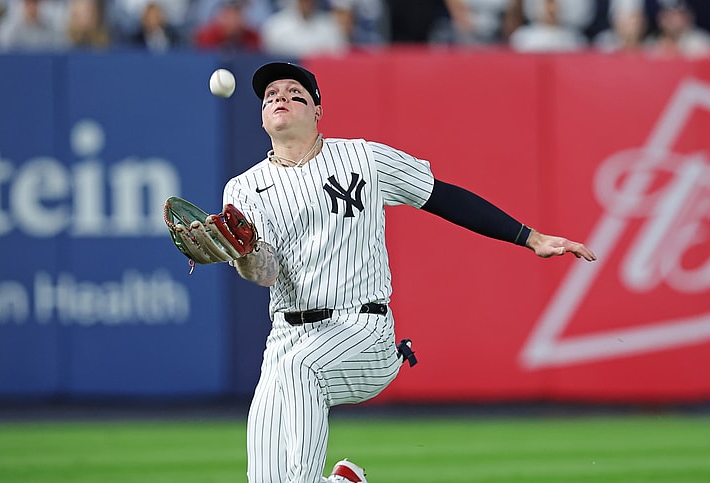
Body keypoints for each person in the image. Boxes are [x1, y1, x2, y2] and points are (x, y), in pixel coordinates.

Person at [219, 61, 597, 482]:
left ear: (318, 110)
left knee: (300, 369)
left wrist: (531, 237)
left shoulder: (364, 157)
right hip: (286, 338)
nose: (280, 98)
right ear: (262, 116)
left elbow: (443, 197)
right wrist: (241, 254)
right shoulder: (243, 188)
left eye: (294, 92)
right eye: (271, 95)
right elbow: (264, 273)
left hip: (363, 331)